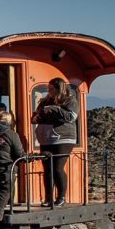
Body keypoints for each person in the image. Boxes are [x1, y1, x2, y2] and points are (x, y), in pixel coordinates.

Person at [31, 78, 79, 207]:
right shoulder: (45, 101)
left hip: (63, 139)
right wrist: (37, 117)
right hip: (46, 139)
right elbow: (35, 117)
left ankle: (61, 197)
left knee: (57, 168)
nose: (49, 92)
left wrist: (54, 109)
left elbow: (71, 117)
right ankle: (48, 198)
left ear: (59, 89)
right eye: (48, 89)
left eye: (51, 89)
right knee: (47, 169)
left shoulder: (70, 100)